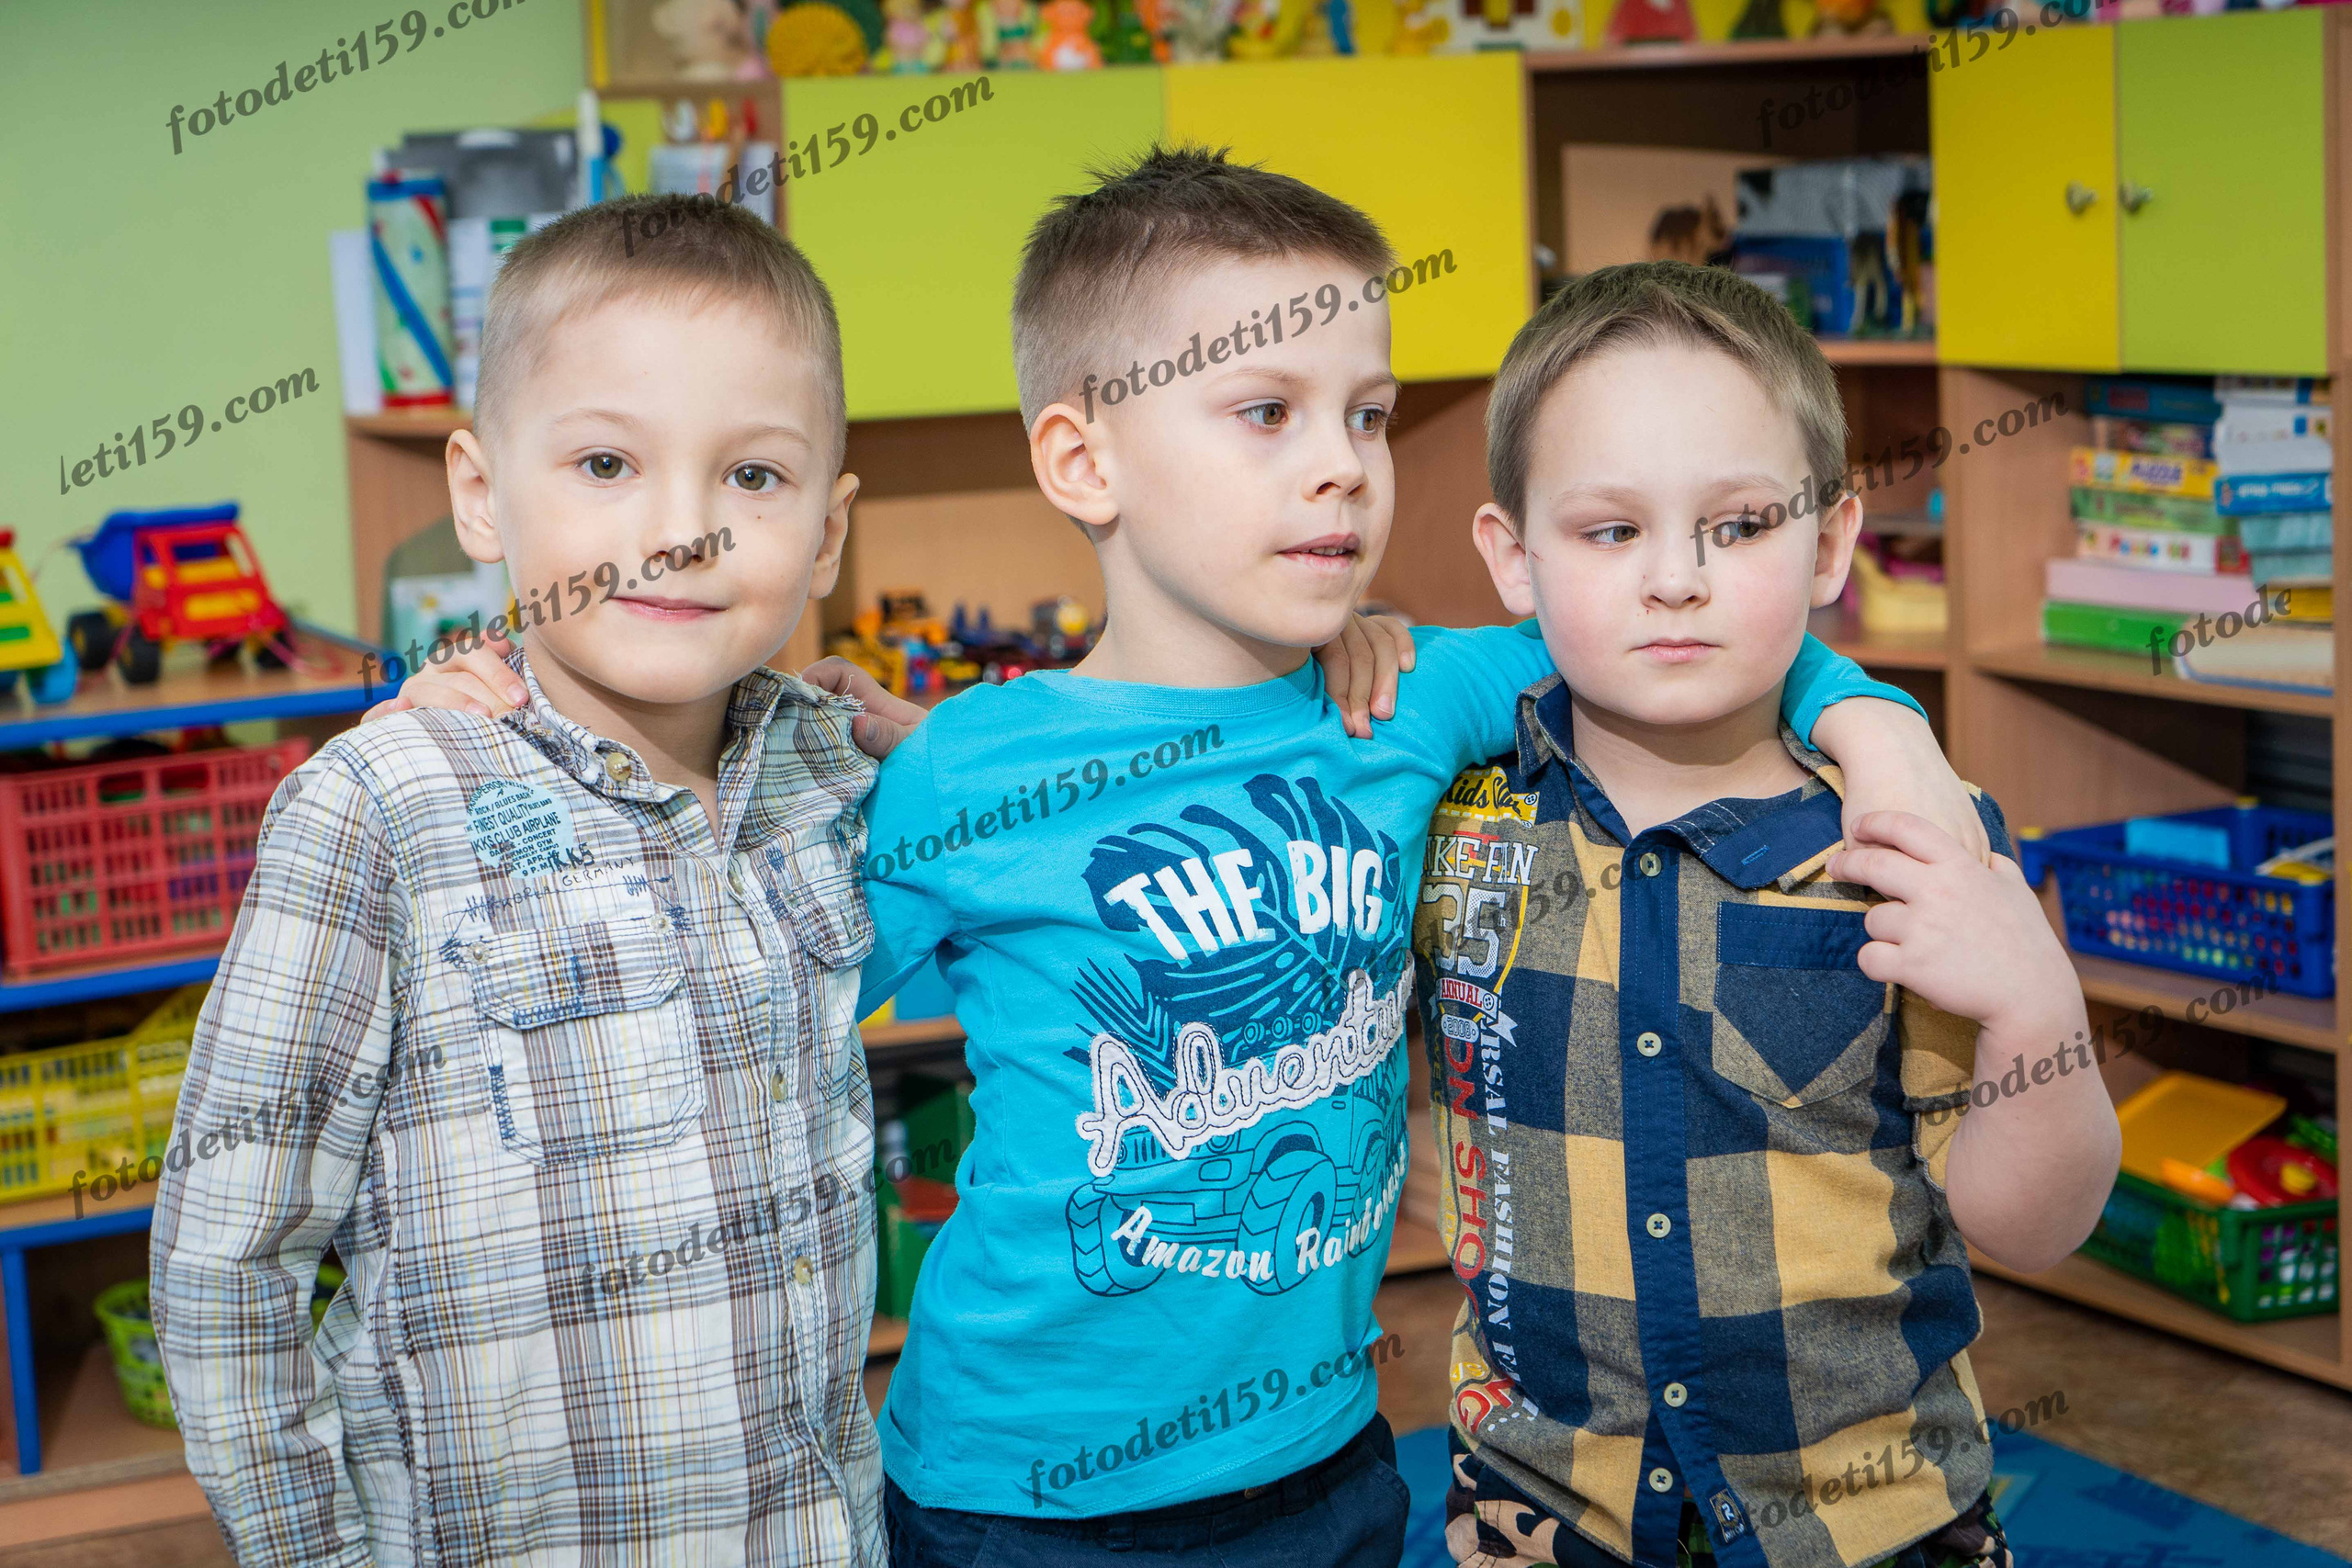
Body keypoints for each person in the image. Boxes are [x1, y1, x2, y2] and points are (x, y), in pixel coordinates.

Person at [377, 150, 1984, 1566]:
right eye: (1266, 414)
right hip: (1022, 1495)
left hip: (1331, 1460)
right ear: (1084, 464)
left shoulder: (1411, 692)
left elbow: (1683, 625)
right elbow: (721, 966)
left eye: (1364, 413)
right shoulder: (961, 768)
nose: (1346, 463)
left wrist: (1880, 722)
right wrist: (518, 686)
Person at [150, 194, 894, 1567]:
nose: (683, 532)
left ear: (829, 534)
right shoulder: (383, 810)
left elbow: (1084, 858)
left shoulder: (834, 777)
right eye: (608, 462)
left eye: (754, 478)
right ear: (482, 493)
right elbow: (225, 1266)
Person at [1414, 260, 2120, 1568]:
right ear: (1513, 559)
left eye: (1738, 526)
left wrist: (2036, 1005)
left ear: (1833, 544)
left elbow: (2039, 1225)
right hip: (1538, 1519)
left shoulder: (1918, 836)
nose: (1676, 579)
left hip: (1877, 1528)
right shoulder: (1449, 827)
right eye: (1610, 531)